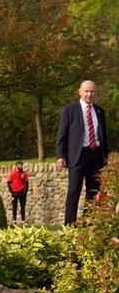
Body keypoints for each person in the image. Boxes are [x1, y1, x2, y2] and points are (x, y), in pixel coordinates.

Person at [57, 80, 109, 225]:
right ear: (80, 91)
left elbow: (103, 136)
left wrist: (105, 158)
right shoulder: (70, 110)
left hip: (96, 155)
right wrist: (60, 155)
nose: (89, 94)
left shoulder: (99, 111)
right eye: (86, 91)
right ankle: (69, 225)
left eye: (92, 91)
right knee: (74, 190)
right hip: (77, 156)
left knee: (94, 191)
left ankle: (87, 222)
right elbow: (62, 134)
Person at [7, 161, 29, 225]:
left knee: (22, 207)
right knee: (14, 207)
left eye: (22, 165)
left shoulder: (24, 173)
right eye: (20, 165)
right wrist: (11, 191)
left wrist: (26, 191)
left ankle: (23, 221)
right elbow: (9, 182)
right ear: (17, 166)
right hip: (15, 193)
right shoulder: (12, 173)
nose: (22, 167)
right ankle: (14, 220)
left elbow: (27, 183)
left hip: (22, 193)